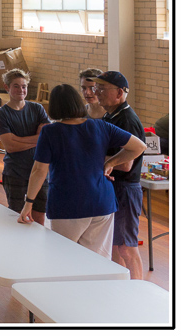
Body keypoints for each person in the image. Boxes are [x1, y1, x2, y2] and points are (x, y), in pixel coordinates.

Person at [17, 84, 146, 259]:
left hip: (68, 203)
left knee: (63, 260)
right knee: (96, 262)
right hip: (102, 202)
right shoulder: (101, 126)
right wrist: (111, 163)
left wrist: (29, 203)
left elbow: (39, 170)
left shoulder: (51, 131)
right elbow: (139, 146)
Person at [93, 71, 147, 280]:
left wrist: (99, 159)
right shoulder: (110, 115)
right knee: (114, 246)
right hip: (114, 188)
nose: (97, 92)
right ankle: (119, 289)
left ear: (120, 93)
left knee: (126, 247)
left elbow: (125, 164)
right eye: (97, 88)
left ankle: (138, 292)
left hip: (125, 190)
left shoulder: (127, 120)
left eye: (102, 88)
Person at [0, 69, 50, 225]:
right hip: (15, 171)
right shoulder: (2, 115)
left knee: (39, 216)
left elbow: (46, 139)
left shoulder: (37, 109)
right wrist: (37, 140)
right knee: (17, 215)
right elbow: (10, 147)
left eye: (24, 86)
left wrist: (19, 139)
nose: (21, 90)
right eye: (16, 86)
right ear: (7, 88)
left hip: (40, 170)